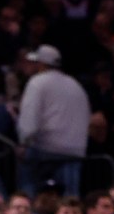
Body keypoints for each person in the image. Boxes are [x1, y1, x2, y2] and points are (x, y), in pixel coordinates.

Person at [16, 45, 91, 196]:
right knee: (69, 198)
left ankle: (26, 212)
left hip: (46, 149)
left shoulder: (38, 82)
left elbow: (29, 121)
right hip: (74, 151)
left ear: (41, 64)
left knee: (28, 182)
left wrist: (24, 142)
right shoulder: (75, 85)